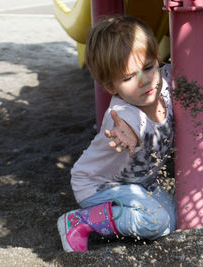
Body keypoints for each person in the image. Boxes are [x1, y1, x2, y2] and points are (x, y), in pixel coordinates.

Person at [57, 15, 177, 252]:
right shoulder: (123, 112)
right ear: (112, 87)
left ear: (157, 59)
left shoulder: (166, 83)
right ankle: (81, 221)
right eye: (129, 77)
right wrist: (128, 135)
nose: (145, 81)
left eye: (148, 67)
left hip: (139, 183)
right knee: (155, 222)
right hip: (99, 185)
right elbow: (128, 125)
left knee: (174, 219)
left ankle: (115, 213)